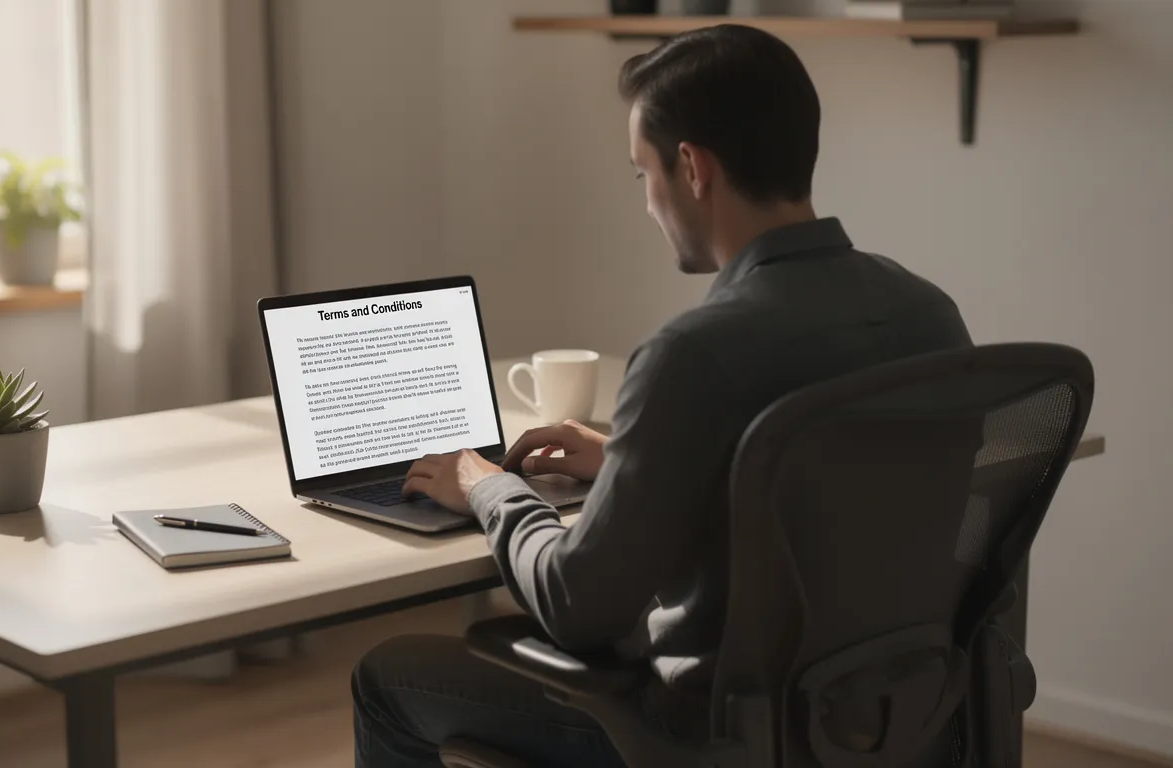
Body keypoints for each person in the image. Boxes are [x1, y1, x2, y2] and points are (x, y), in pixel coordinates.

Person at [352, 23, 972, 768]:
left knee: (386, 676)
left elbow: (577, 606)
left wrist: (486, 486)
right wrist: (625, 457)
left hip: (705, 738)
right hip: (888, 719)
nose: (647, 203)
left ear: (692, 168)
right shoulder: (929, 313)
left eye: (642, 174)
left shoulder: (695, 353)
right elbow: (816, 491)